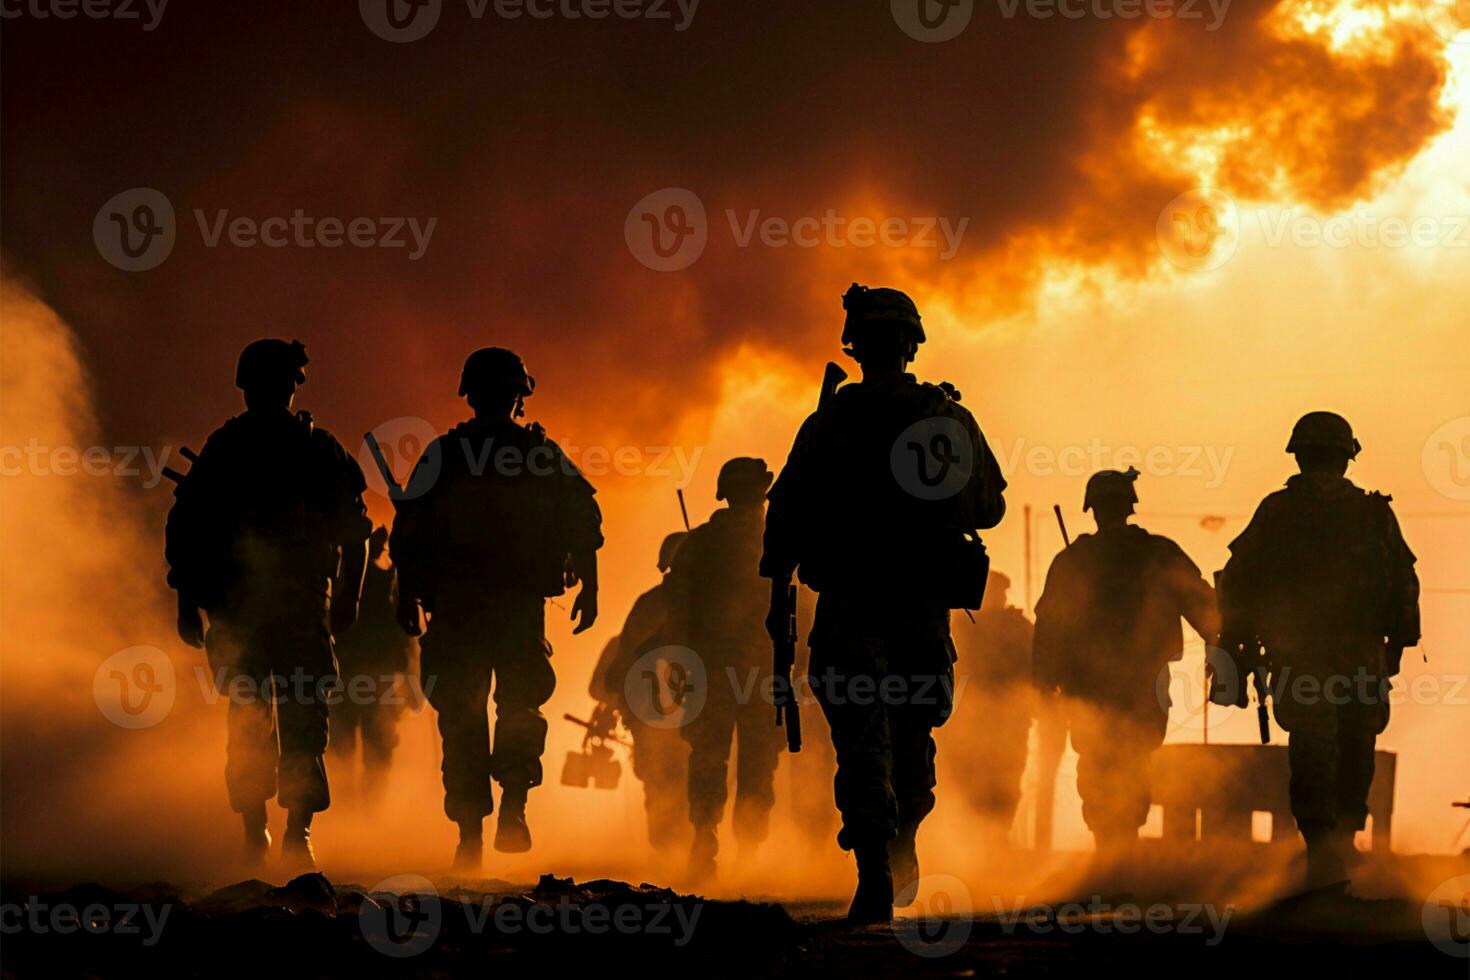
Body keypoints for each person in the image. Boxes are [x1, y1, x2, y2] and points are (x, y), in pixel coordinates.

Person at [761, 283, 1007, 923]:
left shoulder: (830, 422)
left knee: (861, 736)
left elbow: (785, 515)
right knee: (910, 730)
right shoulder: (946, 420)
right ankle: (896, 842)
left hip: (850, 601)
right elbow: (990, 506)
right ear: (912, 343)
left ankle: (875, 858)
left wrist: (776, 591)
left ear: (856, 345)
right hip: (918, 604)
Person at [390, 347, 603, 869]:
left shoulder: (445, 452)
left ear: (471, 393)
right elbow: (586, 524)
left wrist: (407, 596)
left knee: (462, 715)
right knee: (520, 706)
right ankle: (513, 804)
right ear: (519, 396)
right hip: (516, 606)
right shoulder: (540, 455)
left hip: (459, 606)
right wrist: (589, 589)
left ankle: (469, 835)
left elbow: (408, 533)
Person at [165, 339, 371, 867]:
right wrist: (348, 597)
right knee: (295, 717)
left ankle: (267, 830)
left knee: (253, 716)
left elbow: (187, 529)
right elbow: (354, 535)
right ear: (290, 384)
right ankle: (286, 832)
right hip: (277, 607)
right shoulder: (313, 447)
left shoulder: (229, 446)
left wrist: (189, 601)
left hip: (258, 608)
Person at [1215, 412, 1419, 889]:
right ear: (1347, 457)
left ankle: (1323, 847)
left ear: (1301, 455)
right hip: (1358, 653)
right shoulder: (1372, 513)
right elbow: (1404, 583)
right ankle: (1342, 839)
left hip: (1299, 652)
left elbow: (1239, 583)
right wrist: (1396, 647)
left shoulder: (1278, 510)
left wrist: (1237, 649)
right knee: (1356, 745)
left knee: (1312, 745)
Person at [1032, 468, 1219, 867]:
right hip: (1142, 682)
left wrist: (1045, 683)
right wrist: (1222, 651)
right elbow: (1203, 605)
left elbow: (1049, 626)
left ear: (1093, 509)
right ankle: (1121, 851)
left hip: (1091, 686)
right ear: (1129, 507)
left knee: (1100, 764)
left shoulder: (1074, 560)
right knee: (1133, 759)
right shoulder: (1158, 552)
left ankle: (1111, 851)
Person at [664, 459, 784, 882]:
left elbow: (675, 606)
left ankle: (705, 837)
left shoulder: (701, 542)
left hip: (714, 667)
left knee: (709, 756)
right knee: (757, 762)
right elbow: (803, 607)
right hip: (762, 671)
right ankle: (746, 853)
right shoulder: (781, 541)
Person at [586, 532, 692, 859]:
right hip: (674, 714)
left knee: (662, 782)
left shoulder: (652, 603)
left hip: (664, 714)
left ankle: (672, 853)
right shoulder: (707, 604)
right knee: (675, 780)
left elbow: (621, 668)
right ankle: (679, 853)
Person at [942, 570, 1033, 851]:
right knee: (977, 782)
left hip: (1005, 718)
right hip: (976, 716)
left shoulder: (968, 626)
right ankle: (984, 842)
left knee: (1003, 780)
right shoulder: (966, 626)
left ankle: (994, 840)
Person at [330, 525, 417, 801]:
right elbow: (402, 632)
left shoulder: (344, 583)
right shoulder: (388, 582)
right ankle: (369, 803)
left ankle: (352, 804)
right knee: (376, 745)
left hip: (352, 674)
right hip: (376, 676)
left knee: (346, 742)